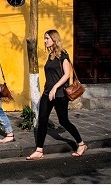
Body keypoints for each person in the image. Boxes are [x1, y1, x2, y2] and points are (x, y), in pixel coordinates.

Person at [26, 29, 87, 160]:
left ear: (54, 39)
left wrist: (55, 88)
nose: (45, 41)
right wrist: (49, 89)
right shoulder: (51, 55)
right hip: (47, 93)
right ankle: (39, 150)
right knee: (42, 120)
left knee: (63, 121)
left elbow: (66, 75)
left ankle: (81, 144)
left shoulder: (63, 55)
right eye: (44, 38)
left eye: (47, 38)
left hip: (59, 94)